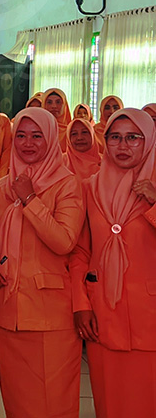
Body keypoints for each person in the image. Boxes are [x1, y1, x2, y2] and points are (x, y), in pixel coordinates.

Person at [0, 108, 83, 418]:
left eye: (37, 136)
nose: (27, 143)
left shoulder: (67, 184)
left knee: (53, 402)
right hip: (7, 309)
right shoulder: (3, 187)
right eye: (21, 136)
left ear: (51, 139)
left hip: (49, 315)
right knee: (18, 401)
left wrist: (29, 200)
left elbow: (64, 241)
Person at [71, 108, 156, 417]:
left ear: (149, 141)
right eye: (115, 137)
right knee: (110, 401)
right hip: (104, 311)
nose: (123, 146)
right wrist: (80, 304)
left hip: (149, 315)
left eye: (133, 138)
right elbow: (80, 252)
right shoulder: (90, 188)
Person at [42, 88, 71, 152]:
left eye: (58, 102)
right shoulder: (38, 128)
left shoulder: (72, 131)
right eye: (49, 102)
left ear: (64, 106)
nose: (54, 106)